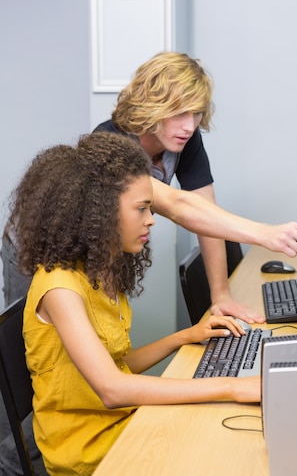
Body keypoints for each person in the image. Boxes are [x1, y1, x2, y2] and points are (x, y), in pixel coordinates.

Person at [6, 132, 259, 476]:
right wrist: (232, 386)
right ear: (99, 211)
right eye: (141, 209)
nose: (151, 219)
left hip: (120, 425)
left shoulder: (100, 270)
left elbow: (117, 365)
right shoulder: (60, 288)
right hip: (88, 453)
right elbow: (112, 389)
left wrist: (185, 336)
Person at [94, 51, 297, 323]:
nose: (190, 126)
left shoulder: (182, 138)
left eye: (196, 113)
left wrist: (221, 295)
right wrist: (264, 233)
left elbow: (205, 210)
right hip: (80, 267)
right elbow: (177, 206)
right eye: (179, 113)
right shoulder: (109, 145)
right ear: (150, 105)